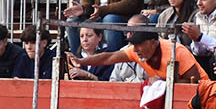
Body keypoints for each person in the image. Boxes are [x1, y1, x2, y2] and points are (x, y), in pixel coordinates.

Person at [67, 27, 202, 84]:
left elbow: (194, 81)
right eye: (133, 44)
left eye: (139, 44)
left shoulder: (176, 51)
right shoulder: (136, 51)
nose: (135, 49)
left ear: (153, 43)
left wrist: (163, 83)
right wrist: (82, 61)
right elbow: (108, 57)